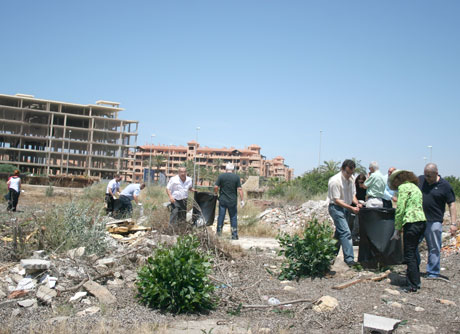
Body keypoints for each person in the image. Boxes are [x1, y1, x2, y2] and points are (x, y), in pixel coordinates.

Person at [389, 170, 426, 292]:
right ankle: (416, 280)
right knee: (414, 251)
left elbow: (400, 208)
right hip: (421, 221)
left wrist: (397, 228)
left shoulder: (403, 188)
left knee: (409, 254)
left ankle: (412, 285)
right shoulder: (416, 187)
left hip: (411, 222)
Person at [418, 163, 457, 279]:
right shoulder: (420, 180)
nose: (426, 178)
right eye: (425, 175)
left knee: (434, 247)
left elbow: (452, 204)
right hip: (419, 219)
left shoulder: (445, 186)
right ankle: (414, 267)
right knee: (413, 244)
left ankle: (433, 272)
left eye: (429, 175)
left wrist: (453, 223)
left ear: (436, 173)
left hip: (434, 221)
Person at [327, 159, 361, 266]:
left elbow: (352, 195)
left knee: (339, 233)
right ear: (342, 169)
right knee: (346, 232)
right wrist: (351, 208)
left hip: (346, 208)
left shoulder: (351, 179)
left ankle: (330, 257)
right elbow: (336, 200)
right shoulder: (335, 181)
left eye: (351, 173)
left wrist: (357, 204)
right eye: (347, 172)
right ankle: (349, 259)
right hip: (336, 208)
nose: (349, 175)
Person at [214, 163, 244, 240]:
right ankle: (234, 235)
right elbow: (240, 189)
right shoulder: (236, 177)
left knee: (221, 217)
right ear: (233, 169)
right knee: (233, 218)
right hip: (232, 201)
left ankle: (219, 234)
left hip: (223, 200)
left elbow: (216, 186)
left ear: (226, 169)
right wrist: (242, 200)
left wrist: (216, 194)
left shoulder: (221, 176)